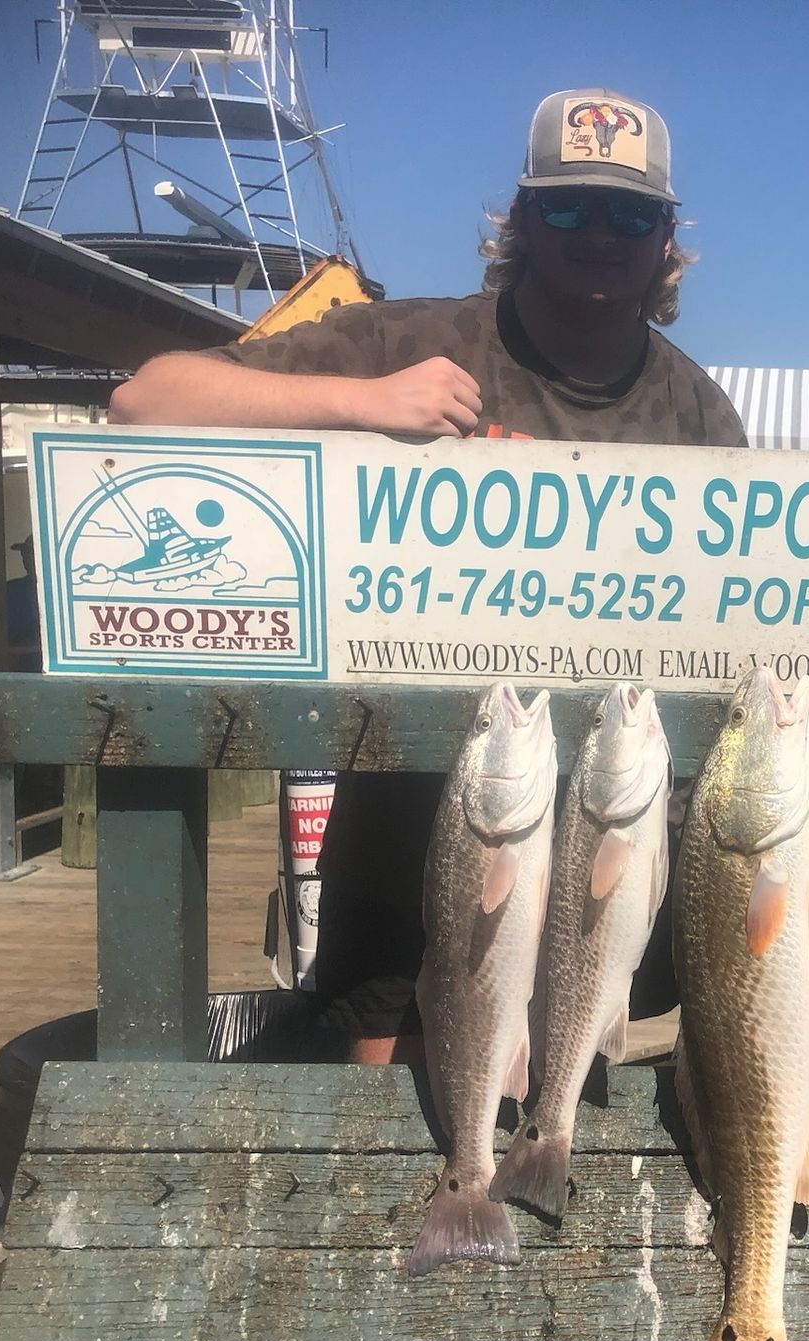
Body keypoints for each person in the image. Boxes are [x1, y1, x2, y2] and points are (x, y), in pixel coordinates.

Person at [111, 88, 747, 1062]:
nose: (599, 233)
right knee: (399, 1151)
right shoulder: (411, 343)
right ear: (522, 220)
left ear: (667, 239)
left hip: (605, 852)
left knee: (571, 1117)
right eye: (569, 206)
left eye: (631, 213)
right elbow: (148, 401)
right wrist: (361, 404)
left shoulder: (699, 414)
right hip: (416, 842)